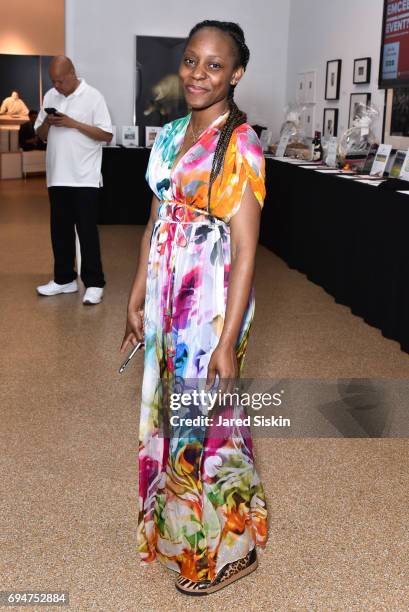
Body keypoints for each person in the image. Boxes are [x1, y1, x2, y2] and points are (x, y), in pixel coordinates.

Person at [121, 20, 268, 595]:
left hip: (210, 303)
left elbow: (249, 253)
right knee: (168, 415)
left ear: (236, 73)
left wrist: (228, 340)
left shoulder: (241, 144)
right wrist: (135, 297)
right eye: (190, 61)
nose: (198, 74)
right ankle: (176, 530)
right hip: (163, 294)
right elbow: (155, 222)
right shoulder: (169, 133)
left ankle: (228, 548)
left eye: (214, 64)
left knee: (202, 423)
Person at [34, 56, 113, 305]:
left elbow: (107, 134)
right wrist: (48, 121)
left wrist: (72, 123)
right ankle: (64, 279)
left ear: (72, 73)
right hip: (57, 176)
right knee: (60, 232)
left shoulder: (93, 97)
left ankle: (94, 283)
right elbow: (40, 134)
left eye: (60, 80)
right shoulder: (50, 96)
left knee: (87, 232)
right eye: (53, 81)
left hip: (85, 178)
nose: (56, 85)